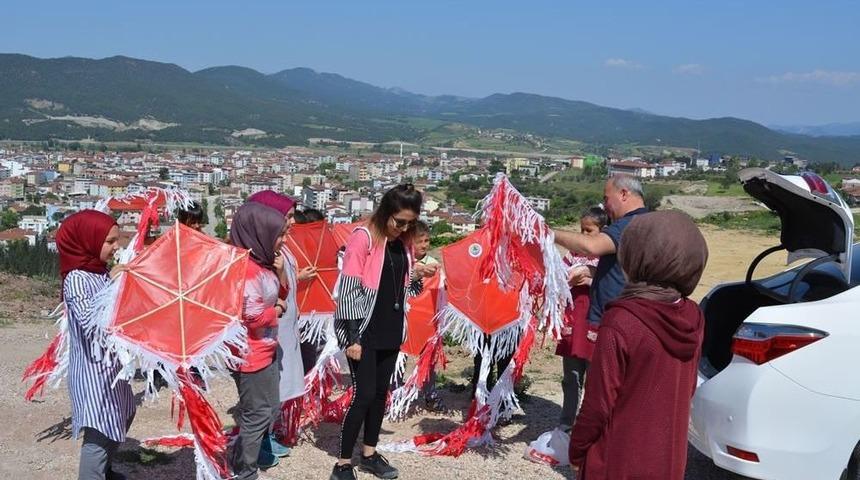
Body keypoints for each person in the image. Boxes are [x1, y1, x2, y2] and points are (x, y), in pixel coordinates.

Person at [569, 211, 708, 479]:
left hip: (618, 458)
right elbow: (686, 388)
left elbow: (597, 404)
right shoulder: (693, 315)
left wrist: (577, 451)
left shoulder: (622, 319)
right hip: (667, 458)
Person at [331, 184, 436, 480]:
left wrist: (417, 274)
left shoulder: (402, 244)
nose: (403, 228)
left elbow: (406, 289)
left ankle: (369, 453)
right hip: (363, 329)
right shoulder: (363, 238)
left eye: (409, 224)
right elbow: (349, 289)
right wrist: (351, 336)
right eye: (399, 221)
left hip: (391, 329)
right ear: (385, 212)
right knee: (362, 395)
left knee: (379, 395)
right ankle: (341, 464)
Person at [57, 210, 135, 480]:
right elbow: (91, 324)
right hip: (93, 373)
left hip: (111, 369)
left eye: (117, 240)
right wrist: (112, 286)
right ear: (88, 241)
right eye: (110, 242)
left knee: (123, 416)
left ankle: (105, 471)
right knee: (99, 434)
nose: (117, 247)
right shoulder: (77, 279)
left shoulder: (98, 271)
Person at [228, 202, 289, 480]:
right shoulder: (248, 270)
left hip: (266, 349)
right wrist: (276, 310)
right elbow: (251, 317)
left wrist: (280, 275)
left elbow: (281, 293)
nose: (284, 240)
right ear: (259, 233)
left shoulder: (264, 263)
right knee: (257, 415)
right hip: (250, 355)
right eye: (280, 234)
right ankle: (245, 471)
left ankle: (242, 455)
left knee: (269, 409)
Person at [246, 190, 309, 460]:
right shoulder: (264, 249)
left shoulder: (281, 245)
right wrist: (283, 273)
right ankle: (261, 440)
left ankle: (268, 434)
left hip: (283, 323)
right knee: (270, 389)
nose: (293, 222)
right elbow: (268, 293)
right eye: (289, 216)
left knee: (278, 386)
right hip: (271, 327)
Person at [553, 175, 648, 330]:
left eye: (606, 199)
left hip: (617, 319)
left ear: (623, 194)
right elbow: (622, 272)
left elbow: (592, 246)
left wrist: (547, 233)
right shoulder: (645, 221)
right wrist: (589, 271)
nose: (605, 206)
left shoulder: (629, 225)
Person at [556, 207, 607, 433]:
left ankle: (590, 427)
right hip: (574, 322)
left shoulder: (608, 260)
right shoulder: (572, 256)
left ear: (603, 232)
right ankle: (566, 423)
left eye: (590, 231)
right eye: (582, 231)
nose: (584, 236)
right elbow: (558, 278)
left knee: (595, 380)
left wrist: (589, 277)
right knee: (571, 376)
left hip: (595, 323)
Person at [409, 221, 444, 411]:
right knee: (399, 358)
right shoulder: (403, 262)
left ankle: (430, 395)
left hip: (427, 320)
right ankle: (394, 395)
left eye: (427, 240)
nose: (424, 245)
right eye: (419, 241)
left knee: (429, 358)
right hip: (405, 319)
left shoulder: (433, 264)